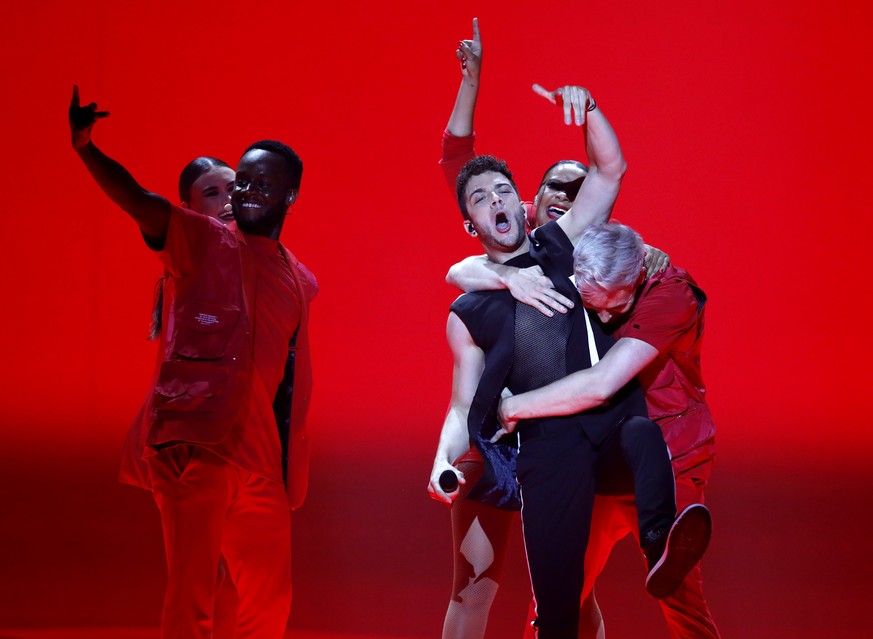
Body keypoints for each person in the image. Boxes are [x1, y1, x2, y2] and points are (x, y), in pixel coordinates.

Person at [428, 72, 706, 636]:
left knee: (640, 434)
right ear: (469, 222)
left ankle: (659, 543)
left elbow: (610, 172)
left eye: (504, 190)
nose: (495, 199)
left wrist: (592, 107)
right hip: (544, 449)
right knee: (557, 605)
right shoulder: (468, 308)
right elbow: (462, 403)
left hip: (605, 420)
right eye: (480, 198)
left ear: (523, 204)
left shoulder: (565, 245)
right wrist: (443, 460)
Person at [69, 86, 317, 639]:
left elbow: (291, 381)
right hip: (198, 450)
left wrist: (287, 467)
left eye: (245, 185)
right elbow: (139, 199)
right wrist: (86, 149)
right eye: (223, 188)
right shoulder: (198, 242)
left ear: (289, 196)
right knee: (193, 602)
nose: (236, 195)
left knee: (269, 607)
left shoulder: (300, 280)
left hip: (260, 465)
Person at [499, 222, 720, 639]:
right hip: (602, 457)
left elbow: (602, 384)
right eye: (591, 304)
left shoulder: (670, 296)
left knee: (681, 602)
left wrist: (513, 407)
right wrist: (508, 274)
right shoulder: (590, 263)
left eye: (612, 309)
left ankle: (661, 539)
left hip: (671, 459)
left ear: (636, 278)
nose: (601, 317)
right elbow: (470, 261)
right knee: (556, 597)